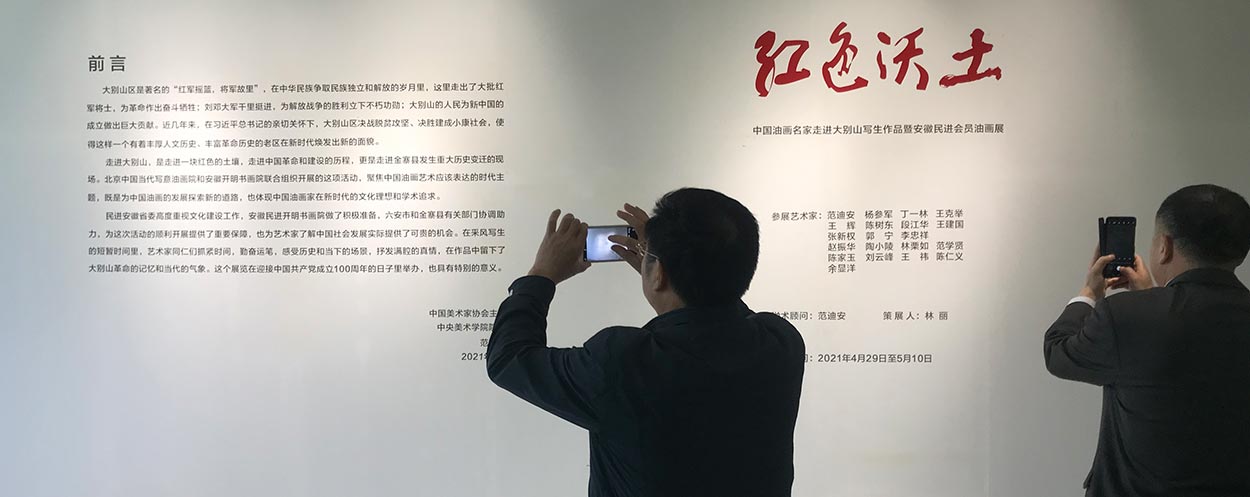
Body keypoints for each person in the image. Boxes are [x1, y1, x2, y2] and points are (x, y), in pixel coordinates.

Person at [486, 188, 805, 497]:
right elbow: (721, 312)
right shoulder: (782, 342)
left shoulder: (622, 362)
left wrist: (541, 275)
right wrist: (666, 272)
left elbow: (508, 358)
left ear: (659, 273)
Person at [1044, 184, 1250, 496]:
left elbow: (1058, 352)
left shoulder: (1125, 315)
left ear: (1164, 247)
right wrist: (1151, 296)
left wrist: (1089, 293)